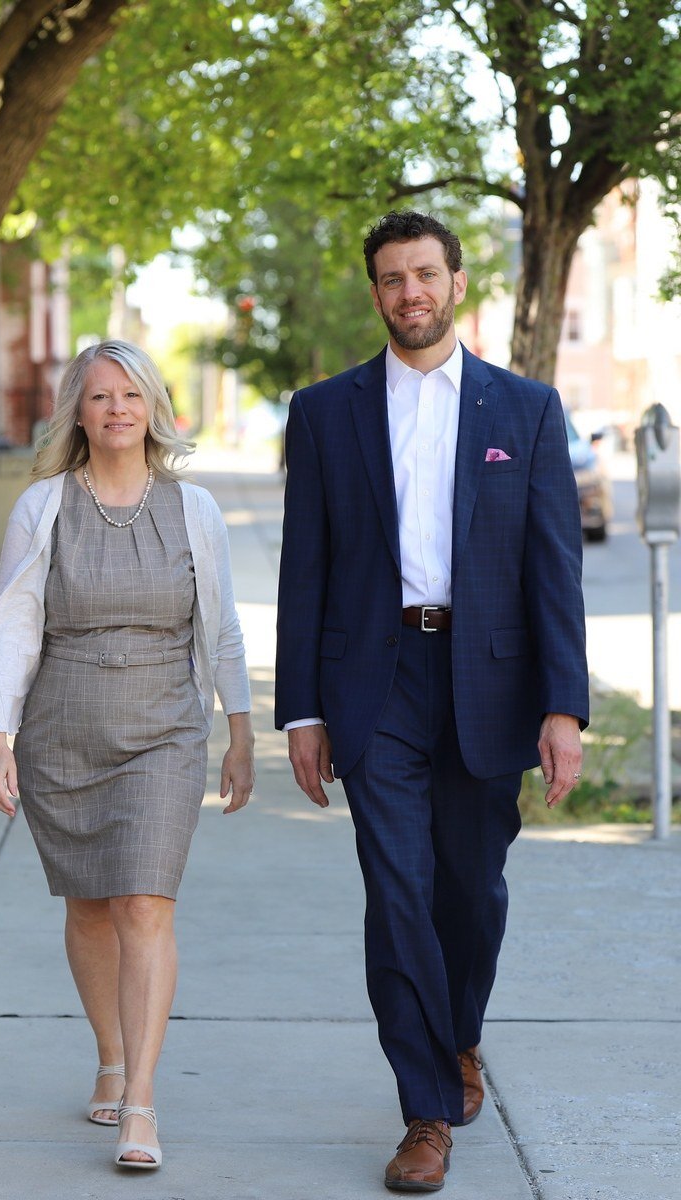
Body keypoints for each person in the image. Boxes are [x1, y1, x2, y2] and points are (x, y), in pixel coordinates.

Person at [275, 212, 588, 1193]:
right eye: (389, 279)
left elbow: (552, 568)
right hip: (375, 685)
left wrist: (562, 707)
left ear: (454, 284)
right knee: (396, 888)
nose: (407, 293)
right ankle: (423, 1110)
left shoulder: (524, 410)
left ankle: (458, 1037)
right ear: (374, 293)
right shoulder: (324, 412)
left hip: (488, 682)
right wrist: (300, 711)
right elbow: (305, 568)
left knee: (470, 891)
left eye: (422, 275)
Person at [0, 339, 254, 1171]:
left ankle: (141, 1100)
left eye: (130, 394)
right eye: (99, 397)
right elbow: (15, 623)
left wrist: (241, 730)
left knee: (144, 903)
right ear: (78, 413)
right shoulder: (44, 505)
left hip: (165, 728)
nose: (116, 409)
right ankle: (108, 1050)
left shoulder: (195, 509)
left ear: (155, 409)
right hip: (63, 725)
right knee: (90, 906)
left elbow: (225, 627)